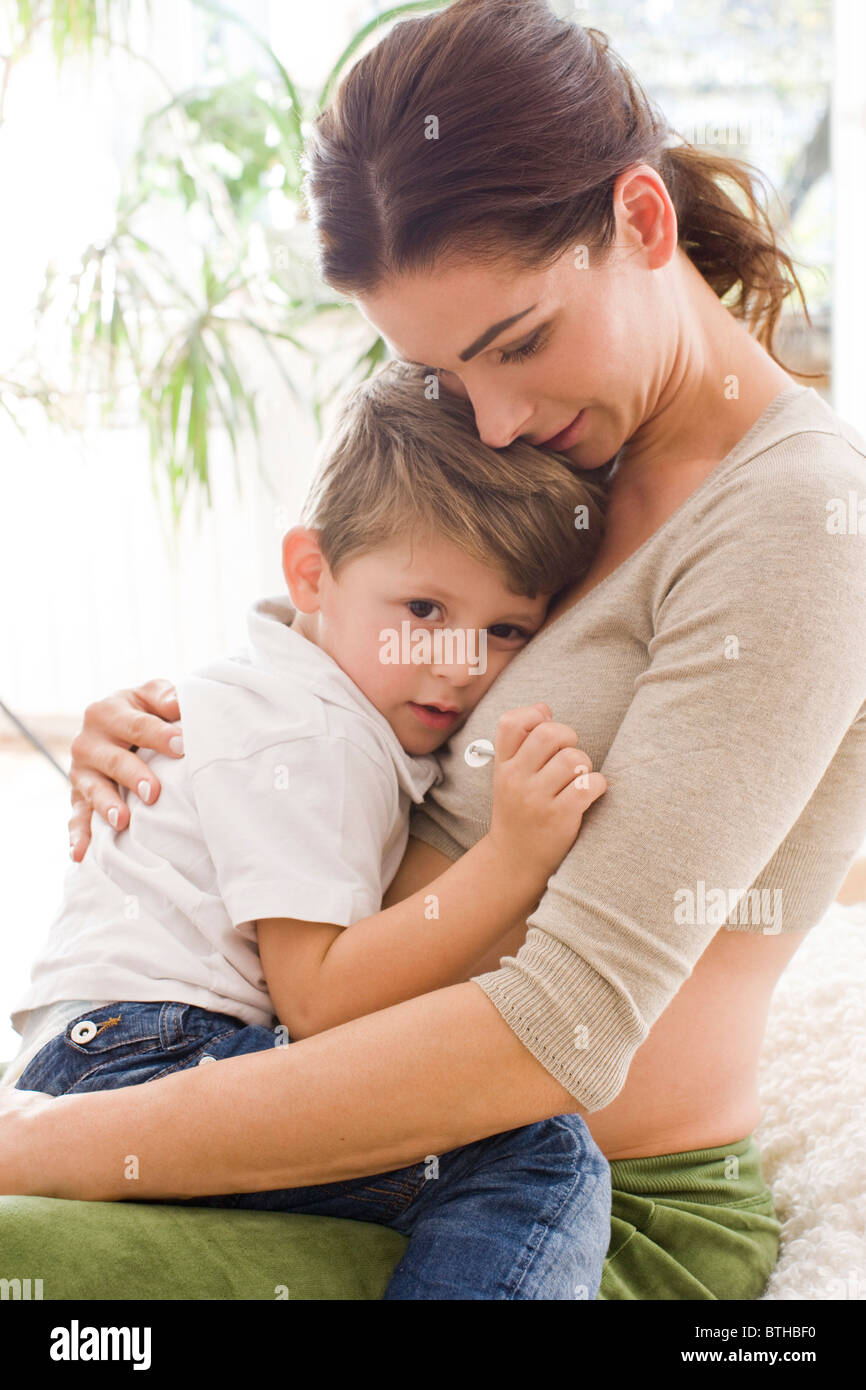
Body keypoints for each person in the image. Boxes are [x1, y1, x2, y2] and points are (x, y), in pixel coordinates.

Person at [3, 0, 866, 1301]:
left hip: (568, 1210)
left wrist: (53, 1142)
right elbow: (356, 639)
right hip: (356, 1133)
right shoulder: (561, 448)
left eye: (517, 342)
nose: (497, 415)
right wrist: (191, 733)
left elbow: (559, 1028)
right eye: (446, 373)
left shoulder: (798, 514)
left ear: (640, 223)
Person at [4, 360, 612, 1300]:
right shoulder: (312, 730)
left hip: (104, 1049)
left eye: (506, 631)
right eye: (423, 611)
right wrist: (515, 859)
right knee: (536, 1153)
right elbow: (320, 1001)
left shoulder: (297, 691)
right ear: (311, 574)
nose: (455, 664)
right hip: (137, 1059)